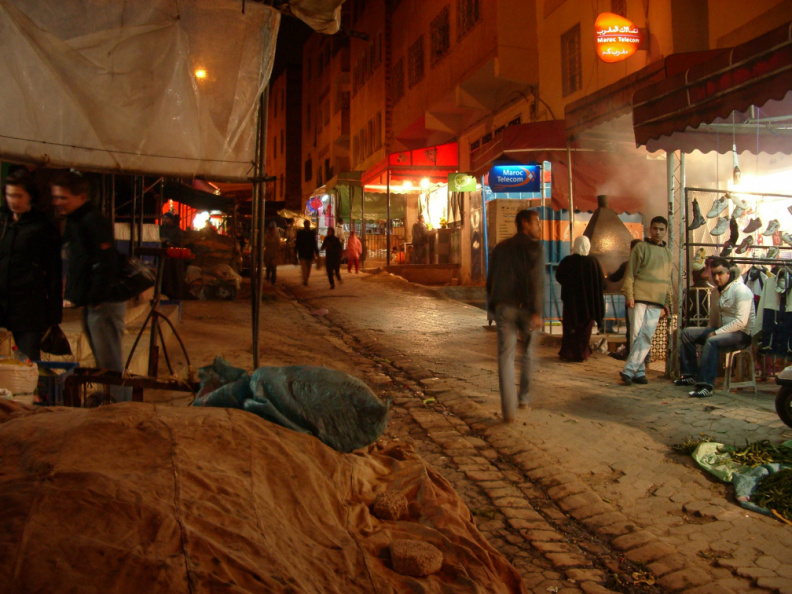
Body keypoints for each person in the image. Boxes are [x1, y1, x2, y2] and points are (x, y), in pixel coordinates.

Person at [51, 170, 130, 401]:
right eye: (55, 197)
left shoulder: (93, 221)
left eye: (63, 197)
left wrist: (97, 298)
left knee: (110, 362)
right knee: (103, 359)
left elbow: (106, 263)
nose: (57, 202)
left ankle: (120, 405)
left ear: (81, 197)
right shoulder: (76, 221)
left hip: (104, 303)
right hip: (93, 302)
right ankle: (111, 400)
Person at [486, 209, 544, 423]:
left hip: (504, 308)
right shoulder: (535, 247)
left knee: (505, 356)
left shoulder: (500, 248)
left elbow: (490, 279)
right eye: (536, 222)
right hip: (526, 309)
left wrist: (493, 306)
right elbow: (537, 280)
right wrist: (537, 311)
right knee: (527, 352)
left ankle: (508, 411)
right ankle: (524, 399)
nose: (539, 226)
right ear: (525, 224)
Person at [0, 169, 62, 361]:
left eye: (19, 196)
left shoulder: (43, 227)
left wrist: (53, 317)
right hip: (1, 300)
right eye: (10, 195)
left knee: (28, 363)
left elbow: (53, 273)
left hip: (28, 308)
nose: (13, 201)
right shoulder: (3, 222)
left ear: (30, 197)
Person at [675, 257, 755, 398]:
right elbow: (713, 318)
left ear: (728, 273)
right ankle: (689, 374)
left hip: (741, 335)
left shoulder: (741, 290)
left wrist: (716, 333)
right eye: (714, 274)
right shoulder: (716, 292)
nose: (717, 278)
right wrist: (709, 330)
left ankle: (706, 385)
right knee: (687, 333)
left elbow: (741, 322)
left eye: (720, 274)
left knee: (712, 341)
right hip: (722, 332)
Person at [619, 216, 672, 386]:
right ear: (650, 229)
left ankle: (630, 371)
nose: (658, 232)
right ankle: (638, 372)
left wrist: (666, 302)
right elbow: (630, 273)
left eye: (661, 229)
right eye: (655, 228)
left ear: (666, 231)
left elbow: (667, 280)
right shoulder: (641, 248)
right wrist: (629, 295)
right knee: (636, 335)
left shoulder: (667, 253)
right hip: (638, 298)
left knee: (647, 336)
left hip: (657, 300)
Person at [555, 235, 605, 362]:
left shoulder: (567, 261)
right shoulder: (593, 262)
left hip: (571, 304)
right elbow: (601, 283)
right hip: (589, 305)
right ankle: (581, 354)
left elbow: (559, 276)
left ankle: (568, 353)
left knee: (570, 330)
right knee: (584, 331)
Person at [159, 212, 184, 299]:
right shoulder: (161, 228)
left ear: (171, 220)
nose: (164, 220)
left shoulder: (176, 230)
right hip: (164, 255)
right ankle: (165, 292)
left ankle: (174, 294)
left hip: (174, 256)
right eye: (164, 218)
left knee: (174, 274)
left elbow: (179, 241)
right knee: (165, 274)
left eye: (166, 218)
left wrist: (169, 241)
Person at [295, 220, 319, 286]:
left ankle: (306, 279)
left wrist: (316, 252)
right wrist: (295, 251)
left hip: (309, 254)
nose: (307, 225)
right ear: (304, 225)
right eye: (306, 224)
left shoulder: (311, 233)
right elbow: (297, 243)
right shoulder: (300, 233)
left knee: (309, 268)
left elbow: (314, 243)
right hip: (302, 253)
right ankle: (305, 280)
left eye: (308, 224)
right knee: (304, 268)